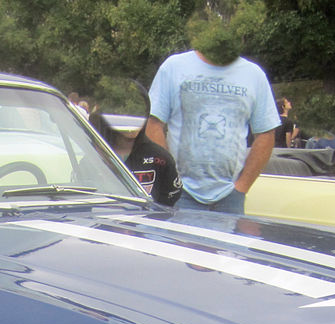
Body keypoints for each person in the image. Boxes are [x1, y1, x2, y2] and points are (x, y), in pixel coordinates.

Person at [146, 14, 280, 215]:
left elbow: (266, 134)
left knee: (225, 249)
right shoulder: (174, 67)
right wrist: (169, 178)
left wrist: (241, 187)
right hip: (177, 195)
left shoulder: (254, 75)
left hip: (230, 200)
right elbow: (152, 124)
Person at [88, 110, 182, 207]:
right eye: (126, 118)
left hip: (149, 219)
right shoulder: (94, 157)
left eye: (138, 118)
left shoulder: (159, 157)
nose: (133, 124)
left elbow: (171, 197)